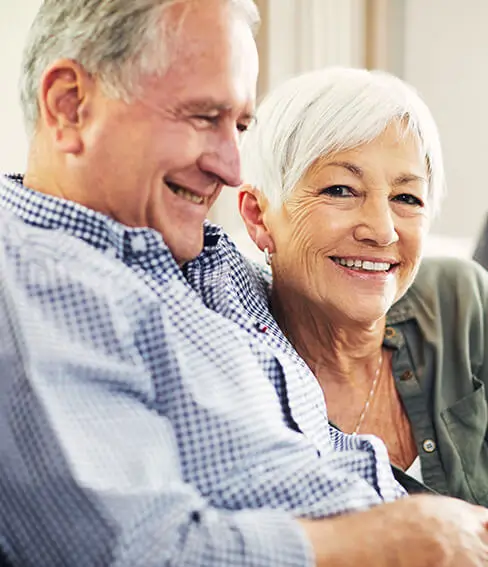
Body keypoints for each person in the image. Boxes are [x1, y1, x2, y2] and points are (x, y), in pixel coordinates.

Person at [1, 1, 488, 565]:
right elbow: (141, 552)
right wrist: (396, 542)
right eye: (203, 117)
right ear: (69, 106)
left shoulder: (196, 254)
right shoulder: (35, 286)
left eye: (239, 126)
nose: (233, 168)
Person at [233, 66, 488, 505]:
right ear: (258, 215)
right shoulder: (238, 376)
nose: (383, 231)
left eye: (406, 197)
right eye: (341, 190)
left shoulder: (460, 299)